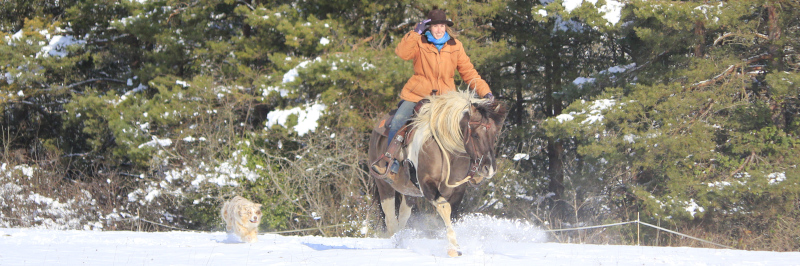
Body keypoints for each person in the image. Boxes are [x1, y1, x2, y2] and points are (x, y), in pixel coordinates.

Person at [371, 7, 494, 188]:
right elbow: (402, 53)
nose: (439, 29)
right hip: (418, 94)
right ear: (428, 27)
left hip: (446, 99)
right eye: (435, 26)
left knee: (469, 126)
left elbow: (469, 72)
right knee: (398, 120)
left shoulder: (455, 46)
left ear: (446, 27)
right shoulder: (419, 42)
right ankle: (390, 163)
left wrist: (486, 92)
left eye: (442, 25)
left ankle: (473, 168)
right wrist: (414, 33)